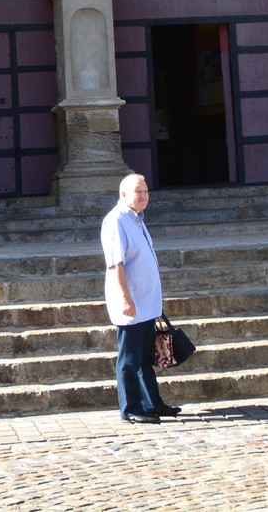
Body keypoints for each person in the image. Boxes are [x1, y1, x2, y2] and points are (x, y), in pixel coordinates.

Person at [100, 172, 180, 423]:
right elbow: (116, 265)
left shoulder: (137, 220)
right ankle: (131, 408)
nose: (144, 195)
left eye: (146, 191)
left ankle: (152, 403)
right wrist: (126, 299)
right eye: (138, 191)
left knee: (145, 357)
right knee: (129, 359)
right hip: (131, 303)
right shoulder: (116, 221)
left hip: (146, 302)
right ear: (124, 195)